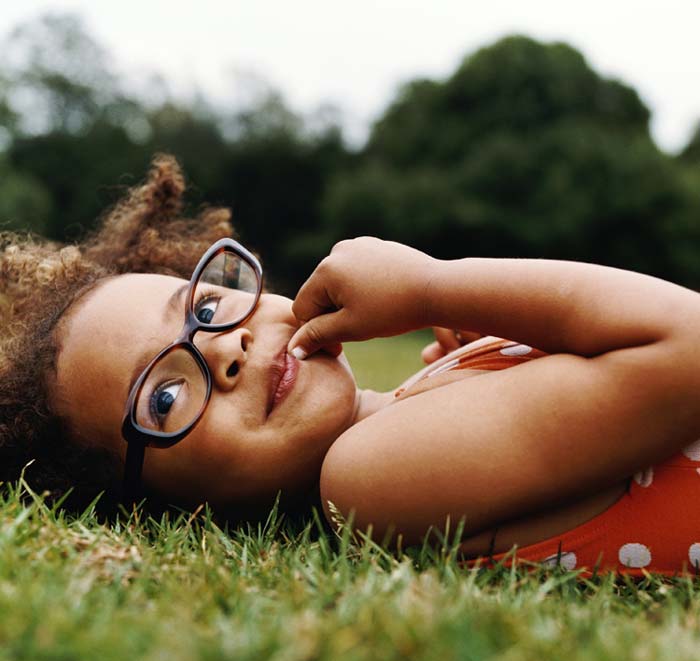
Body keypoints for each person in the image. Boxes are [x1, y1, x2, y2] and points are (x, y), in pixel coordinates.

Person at [2, 154, 700, 576]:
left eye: (206, 308)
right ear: (175, 512)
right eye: (162, 399)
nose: (222, 349)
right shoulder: (368, 480)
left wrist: (501, 352)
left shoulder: (409, 417)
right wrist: (436, 284)